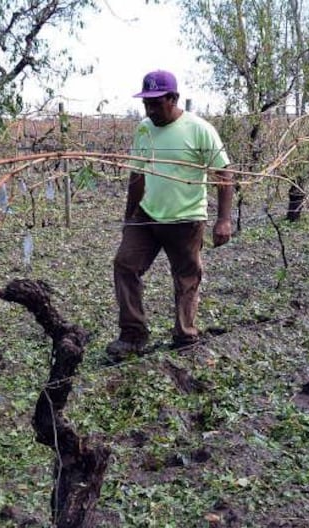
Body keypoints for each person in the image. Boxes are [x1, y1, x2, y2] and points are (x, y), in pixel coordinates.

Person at [107, 69, 234, 361]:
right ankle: (133, 335)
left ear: (173, 98)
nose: (150, 110)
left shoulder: (199, 129)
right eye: (146, 104)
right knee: (125, 265)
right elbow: (137, 175)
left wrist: (224, 219)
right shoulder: (143, 129)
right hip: (148, 215)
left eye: (156, 103)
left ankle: (185, 335)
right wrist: (129, 218)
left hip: (185, 219)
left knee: (186, 278)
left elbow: (223, 173)